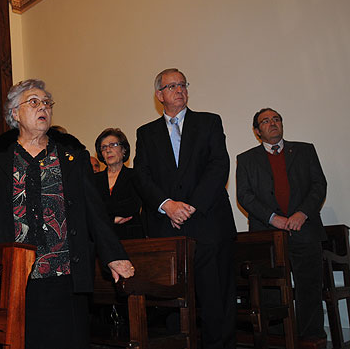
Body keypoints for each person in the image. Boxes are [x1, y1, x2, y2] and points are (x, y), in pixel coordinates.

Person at [0, 79, 134, 349]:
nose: (43, 107)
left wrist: (114, 255)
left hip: (65, 272)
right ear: (15, 113)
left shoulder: (71, 153)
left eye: (47, 103)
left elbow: (93, 210)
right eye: (34, 102)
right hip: (17, 273)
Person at [134, 68, 236, 349]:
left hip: (209, 223)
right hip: (167, 229)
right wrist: (167, 206)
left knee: (217, 299)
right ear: (159, 95)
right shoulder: (146, 133)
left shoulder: (209, 122)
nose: (179, 90)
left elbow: (219, 166)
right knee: (172, 304)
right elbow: (142, 176)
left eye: (182, 84)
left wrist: (189, 206)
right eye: (171, 86)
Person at [236, 108, 327, 344]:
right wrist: (272, 218)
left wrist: (302, 213)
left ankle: (311, 339)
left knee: (309, 287)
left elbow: (319, 185)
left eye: (276, 119)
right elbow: (244, 196)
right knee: (268, 290)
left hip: (305, 229)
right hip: (266, 235)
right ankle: (276, 339)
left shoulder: (305, 150)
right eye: (265, 121)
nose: (272, 123)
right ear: (257, 131)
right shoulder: (245, 159)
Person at [93, 128, 145, 239]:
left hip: (130, 237)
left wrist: (105, 213)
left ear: (124, 149)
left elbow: (132, 206)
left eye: (113, 145)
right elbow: (92, 210)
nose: (108, 150)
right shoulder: (94, 180)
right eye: (104, 147)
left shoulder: (135, 175)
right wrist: (112, 219)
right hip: (102, 238)